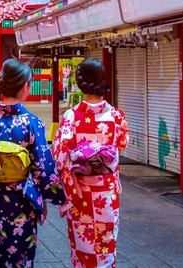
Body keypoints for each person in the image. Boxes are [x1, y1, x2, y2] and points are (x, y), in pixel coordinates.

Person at [0, 58, 66, 268]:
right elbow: (42, 166)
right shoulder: (31, 122)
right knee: (22, 256)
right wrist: (51, 196)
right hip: (21, 199)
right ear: (24, 86)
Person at [52, 58, 129, 268]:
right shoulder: (116, 116)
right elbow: (121, 145)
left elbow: (59, 156)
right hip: (106, 193)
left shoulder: (70, 117)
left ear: (80, 82)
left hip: (81, 193)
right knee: (106, 247)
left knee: (83, 248)